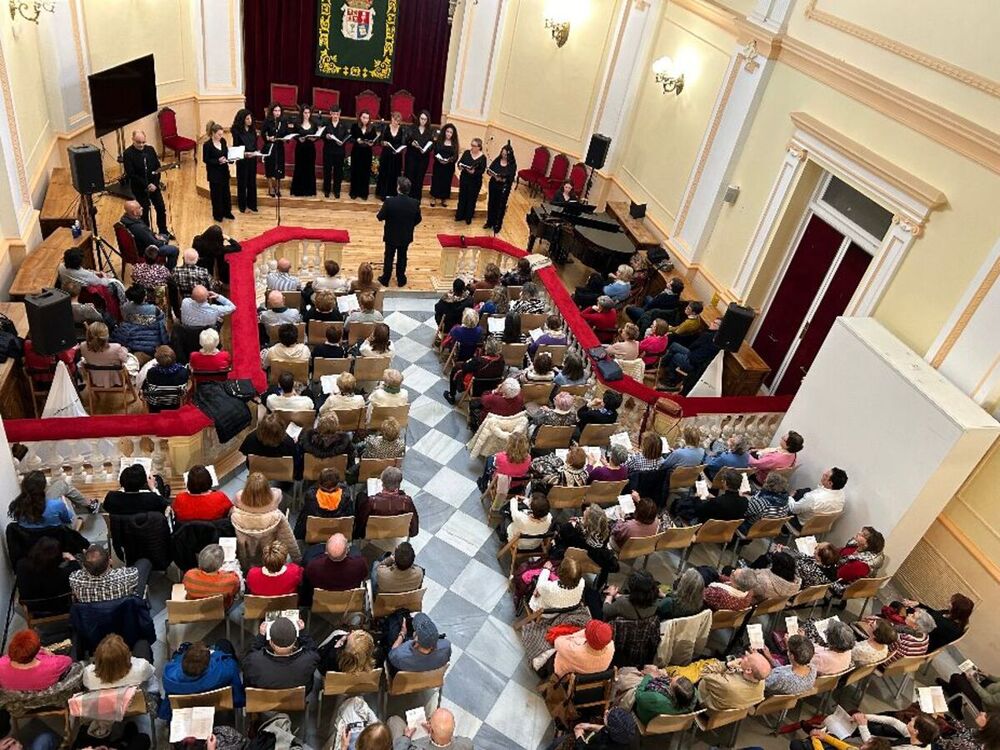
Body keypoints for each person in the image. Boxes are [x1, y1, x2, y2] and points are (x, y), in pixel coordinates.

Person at [159, 641, 245, 720]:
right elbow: (231, 665)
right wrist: (215, 654)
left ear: (183, 660)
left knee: (185, 645)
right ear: (208, 663)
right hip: (216, 703)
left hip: (183, 706)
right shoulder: (224, 672)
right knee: (223, 643)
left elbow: (174, 662)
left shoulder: (169, 678)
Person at [230, 472, 301, 565]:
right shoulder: (276, 498)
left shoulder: (238, 498)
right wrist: (297, 559)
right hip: (269, 549)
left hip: (247, 549)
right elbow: (287, 537)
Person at [243, 616, 319, 690]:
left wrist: (261, 637)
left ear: (270, 642)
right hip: (295, 700)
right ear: (295, 640)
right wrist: (302, 633)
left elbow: (249, 657)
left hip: (264, 701)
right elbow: (312, 649)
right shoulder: (309, 660)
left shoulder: (254, 662)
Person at [122, 129, 170, 235]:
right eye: (138, 142)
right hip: (139, 188)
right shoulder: (128, 154)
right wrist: (146, 184)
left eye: (143, 142)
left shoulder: (150, 150)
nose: (141, 145)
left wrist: (155, 183)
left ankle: (163, 231)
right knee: (144, 211)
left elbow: (157, 168)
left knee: (161, 208)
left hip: (154, 185)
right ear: (132, 140)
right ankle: (147, 234)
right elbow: (131, 174)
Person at [376, 176, 421, 287]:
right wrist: (409, 225)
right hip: (405, 235)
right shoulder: (415, 203)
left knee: (389, 256)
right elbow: (418, 219)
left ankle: (385, 278)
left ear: (398, 188)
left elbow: (380, 217)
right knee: (402, 256)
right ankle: (401, 279)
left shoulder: (389, 201)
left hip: (391, 235)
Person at [14, 537, 77, 614]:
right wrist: (71, 558)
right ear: (58, 558)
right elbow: (77, 570)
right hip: (62, 607)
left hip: (33, 609)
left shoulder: (20, 565)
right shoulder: (65, 574)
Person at [69, 544, 151, 603]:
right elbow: (134, 572)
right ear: (110, 561)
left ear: (84, 566)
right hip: (124, 617)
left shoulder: (74, 579)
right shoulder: (126, 576)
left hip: (94, 623)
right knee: (144, 562)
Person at [355, 467, 418, 538]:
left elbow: (361, 520)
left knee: (360, 496)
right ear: (399, 485)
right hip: (396, 530)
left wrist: (358, 534)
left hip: (374, 532)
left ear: (382, 483)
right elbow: (414, 529)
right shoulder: (406, 502)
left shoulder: (372, 502)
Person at [0, 630, 72, 691]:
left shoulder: (1, 664)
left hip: (15, 703)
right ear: (36, 650)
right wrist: (49, 655)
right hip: (46, 701)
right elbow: (68, 660)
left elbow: (7, 657)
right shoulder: (54, 665)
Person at [698, 652, 771, 710]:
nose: (745, 654)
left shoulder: (727, 684)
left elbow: (703, 672)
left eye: (747, 658)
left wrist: (726, 665)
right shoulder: (761, 682)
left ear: (748, 670)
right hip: (730, 709)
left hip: (706, 704)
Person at [444, 336, 504, 404]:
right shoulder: (501, 361)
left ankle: (451, 395)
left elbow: (465, 367)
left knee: (456, 368)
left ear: (486, 348)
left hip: (476, 388)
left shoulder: (479, 361)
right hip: (492, 387)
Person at [83, 633, 154, 691]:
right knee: (142, 643)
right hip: (136, 702)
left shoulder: (88, 675)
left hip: (106, 706)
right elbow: (151, 673)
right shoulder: (141, 669)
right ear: (127, 654)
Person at [120, 199, 179, 267]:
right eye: (139, 208)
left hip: (141, 243)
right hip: (146, 251)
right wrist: (162, 241)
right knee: (174, 250)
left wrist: (155, 235)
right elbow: (154, 243)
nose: (142, 208)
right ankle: (168, 271)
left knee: (164, 236)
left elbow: (147, 234)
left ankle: (162, 261)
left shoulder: (127, 219)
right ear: (134, 212)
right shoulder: (139, 228)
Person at [388, 612, 452, 673]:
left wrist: (402, 633)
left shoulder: (400, 656)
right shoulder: (446, 646)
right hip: (430, 678)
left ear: (416, 638)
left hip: (409, 679)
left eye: (415, 630)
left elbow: (392, 653)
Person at [8, 471, 75, 529]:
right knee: (69, 507)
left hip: (33, 540)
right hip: (56, 539)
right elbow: (68, 520)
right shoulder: (56, 505)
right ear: (44, 487)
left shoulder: (16, 506)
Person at [182, 544, 240, 609]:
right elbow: (236, 590)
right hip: (220, 613)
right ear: (221, 564)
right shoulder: (231, 580)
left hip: (194, 611)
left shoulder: (190, 575)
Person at [389, 707, 473, 750]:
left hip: (412, 741)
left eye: (429, 721)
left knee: (394, 720)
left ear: (431, 730)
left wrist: (406, 737)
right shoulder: (467, 744)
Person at [850, 711, 940, 750]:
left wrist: (862, 725)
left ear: (916, 731)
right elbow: (893, 722)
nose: (911, 719)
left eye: (913, 721)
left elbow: (873, 747)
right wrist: (865, 717)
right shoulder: (919, 738)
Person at [102, 463, 169, 514]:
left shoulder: (111, 497)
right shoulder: (152, 498)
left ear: (122, 481)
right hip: (147, 531)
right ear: (143, 483)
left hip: (122, 531)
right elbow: (165, 506)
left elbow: (105, 508)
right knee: (158, 479)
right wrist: (153, 488)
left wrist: (125, 485)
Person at [634, 673, 698, 725]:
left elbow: (638, 696)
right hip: (669, 723)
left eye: (670, 683)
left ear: (672, 694)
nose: (671, 679)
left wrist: (648, 676)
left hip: (649, 720)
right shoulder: (691, 695)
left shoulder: (656, 699)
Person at [141, 344, 189, 412]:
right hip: (176, 405)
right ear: (174, 357)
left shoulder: (151, 372)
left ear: (157, 360)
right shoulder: (183, 372)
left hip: (155, 408)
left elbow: (145, 388)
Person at [80, 321, 128, 388]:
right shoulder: (116, 347)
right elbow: (125, 359)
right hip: (116, 379)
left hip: (95, 380)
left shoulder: (82, 346)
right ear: (107, 336)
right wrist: (125, 350)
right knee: (132, 360)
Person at [202, 121, 234, 222]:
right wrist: (218, 161)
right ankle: (218, 215)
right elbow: (206, 159)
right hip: (214, 174)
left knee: (226, 193)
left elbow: (226, 153)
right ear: (213, 133)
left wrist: (231, 158)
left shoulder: (223, 141)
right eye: (219, 134)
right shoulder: (207, 145)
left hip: (224, 172)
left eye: (222, 134)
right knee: (216, 195)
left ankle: (227, 212)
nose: (221, 136)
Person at [230, 108, 259, 213]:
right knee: (242, 183)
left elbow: (255, 145)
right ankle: (242, 205)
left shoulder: (252, 130)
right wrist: (244, 154)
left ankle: (252, 204)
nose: (250, 120)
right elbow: (236, 147)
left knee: (252, 182)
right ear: (242, 120)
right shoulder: (237, 131)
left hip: (252, 159)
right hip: (243, 160)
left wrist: (256, 152)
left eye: (250, 118)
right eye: (247, 119)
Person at [485, 144, 516, 232]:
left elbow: (510, 178)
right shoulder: (497, 160)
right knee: (491, 203)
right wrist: (492, 174)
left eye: (506, 154)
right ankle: (489, 222)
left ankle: (497, 225)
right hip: (493, 185)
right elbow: (489, 170)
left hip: (503, 188)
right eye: (502, 153)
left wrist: (502, 179)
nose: (503, 156)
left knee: (500, 206)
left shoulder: (512, 164)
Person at [404, 110, 434, 204]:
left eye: (425, 119)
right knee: (409, 176)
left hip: (423, 158)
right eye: (421, 118)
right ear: (418, 118)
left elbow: (431, 144)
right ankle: (406, 197)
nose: (423, 121)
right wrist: (411, 143)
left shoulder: (430, 131)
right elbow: (406, 140)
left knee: (419, 178)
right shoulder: (412, 128)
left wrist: (426, 148)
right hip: (411, 156)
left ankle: (416, 198)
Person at [290, 105, 320, 197]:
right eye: (305, 113)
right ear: (302, 113)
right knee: (299, 168)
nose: (307, 115)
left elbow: (317, 136)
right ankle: (298, 190)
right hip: (300, 149)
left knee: (309, 168)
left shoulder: (314, 124)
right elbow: (293, 134)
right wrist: (299, 138)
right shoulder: (297, 123)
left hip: (310, 149)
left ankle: (309, 190)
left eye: (308, 113)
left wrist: (314, 139)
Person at [455, 137, 486, 224]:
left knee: (471, 199)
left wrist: (474, 172)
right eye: (471, 145)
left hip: (475, 182)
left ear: (479, 147)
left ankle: (468, 217)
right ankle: (459, 215)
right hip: (464, 178)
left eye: (474, 146)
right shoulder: (466, 153)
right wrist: (460, 166)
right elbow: (460, 162)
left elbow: (482, 170)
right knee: (462, 197)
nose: (472, 147)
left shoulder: (483, 158)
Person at [376, 111, 406, 199]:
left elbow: (403, 143)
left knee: (394, 175)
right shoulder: (386, 128)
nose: (395, 122)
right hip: (386, 155)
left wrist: (399, 149)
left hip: (396, 156)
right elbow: (380, 141)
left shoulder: (402, 130)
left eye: (397, 121)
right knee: (384, 174)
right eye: (393, 119)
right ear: (391, 119)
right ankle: (383, 194)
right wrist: (383, 143)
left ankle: (393, 194)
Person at [262, 102, 288, 198]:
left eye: (279, 111)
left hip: (279, 147)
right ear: (272, 111)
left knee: (279, 166)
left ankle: (277, 188)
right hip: (270, 146)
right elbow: (263, 133)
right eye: (275, 111)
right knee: (269, 167)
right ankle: (270, 188)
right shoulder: (267, 121)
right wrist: (268, 138)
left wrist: (286, 138)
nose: (277, 113)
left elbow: (286, 132)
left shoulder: (283, 121)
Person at [349, 110, 377, 201]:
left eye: (367, 118)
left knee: (365, 173)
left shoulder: (372, 128)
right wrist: (356, 140)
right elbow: (351, 139)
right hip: (357, 152)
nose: (365, 120)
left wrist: (372, 143)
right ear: (360, 117)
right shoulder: (355, 126)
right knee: (355, 171)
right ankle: (354, 192)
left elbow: (375, 140)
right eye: (364, 117)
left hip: (367, 153)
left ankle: (363, 193)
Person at [429, 123, 458, 207]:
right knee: (436, 180)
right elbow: (435, 152)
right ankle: (434, 197)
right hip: (438, 165)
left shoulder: (454, 143)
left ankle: (444, 198)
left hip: (449, 167)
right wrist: (439, 159)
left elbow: (455, 156)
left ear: (453, 134)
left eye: (450, 132)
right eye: (447, 131)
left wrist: (449, 160)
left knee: (446, 182)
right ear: (444, 132)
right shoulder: (439, 141)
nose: (448, 134)